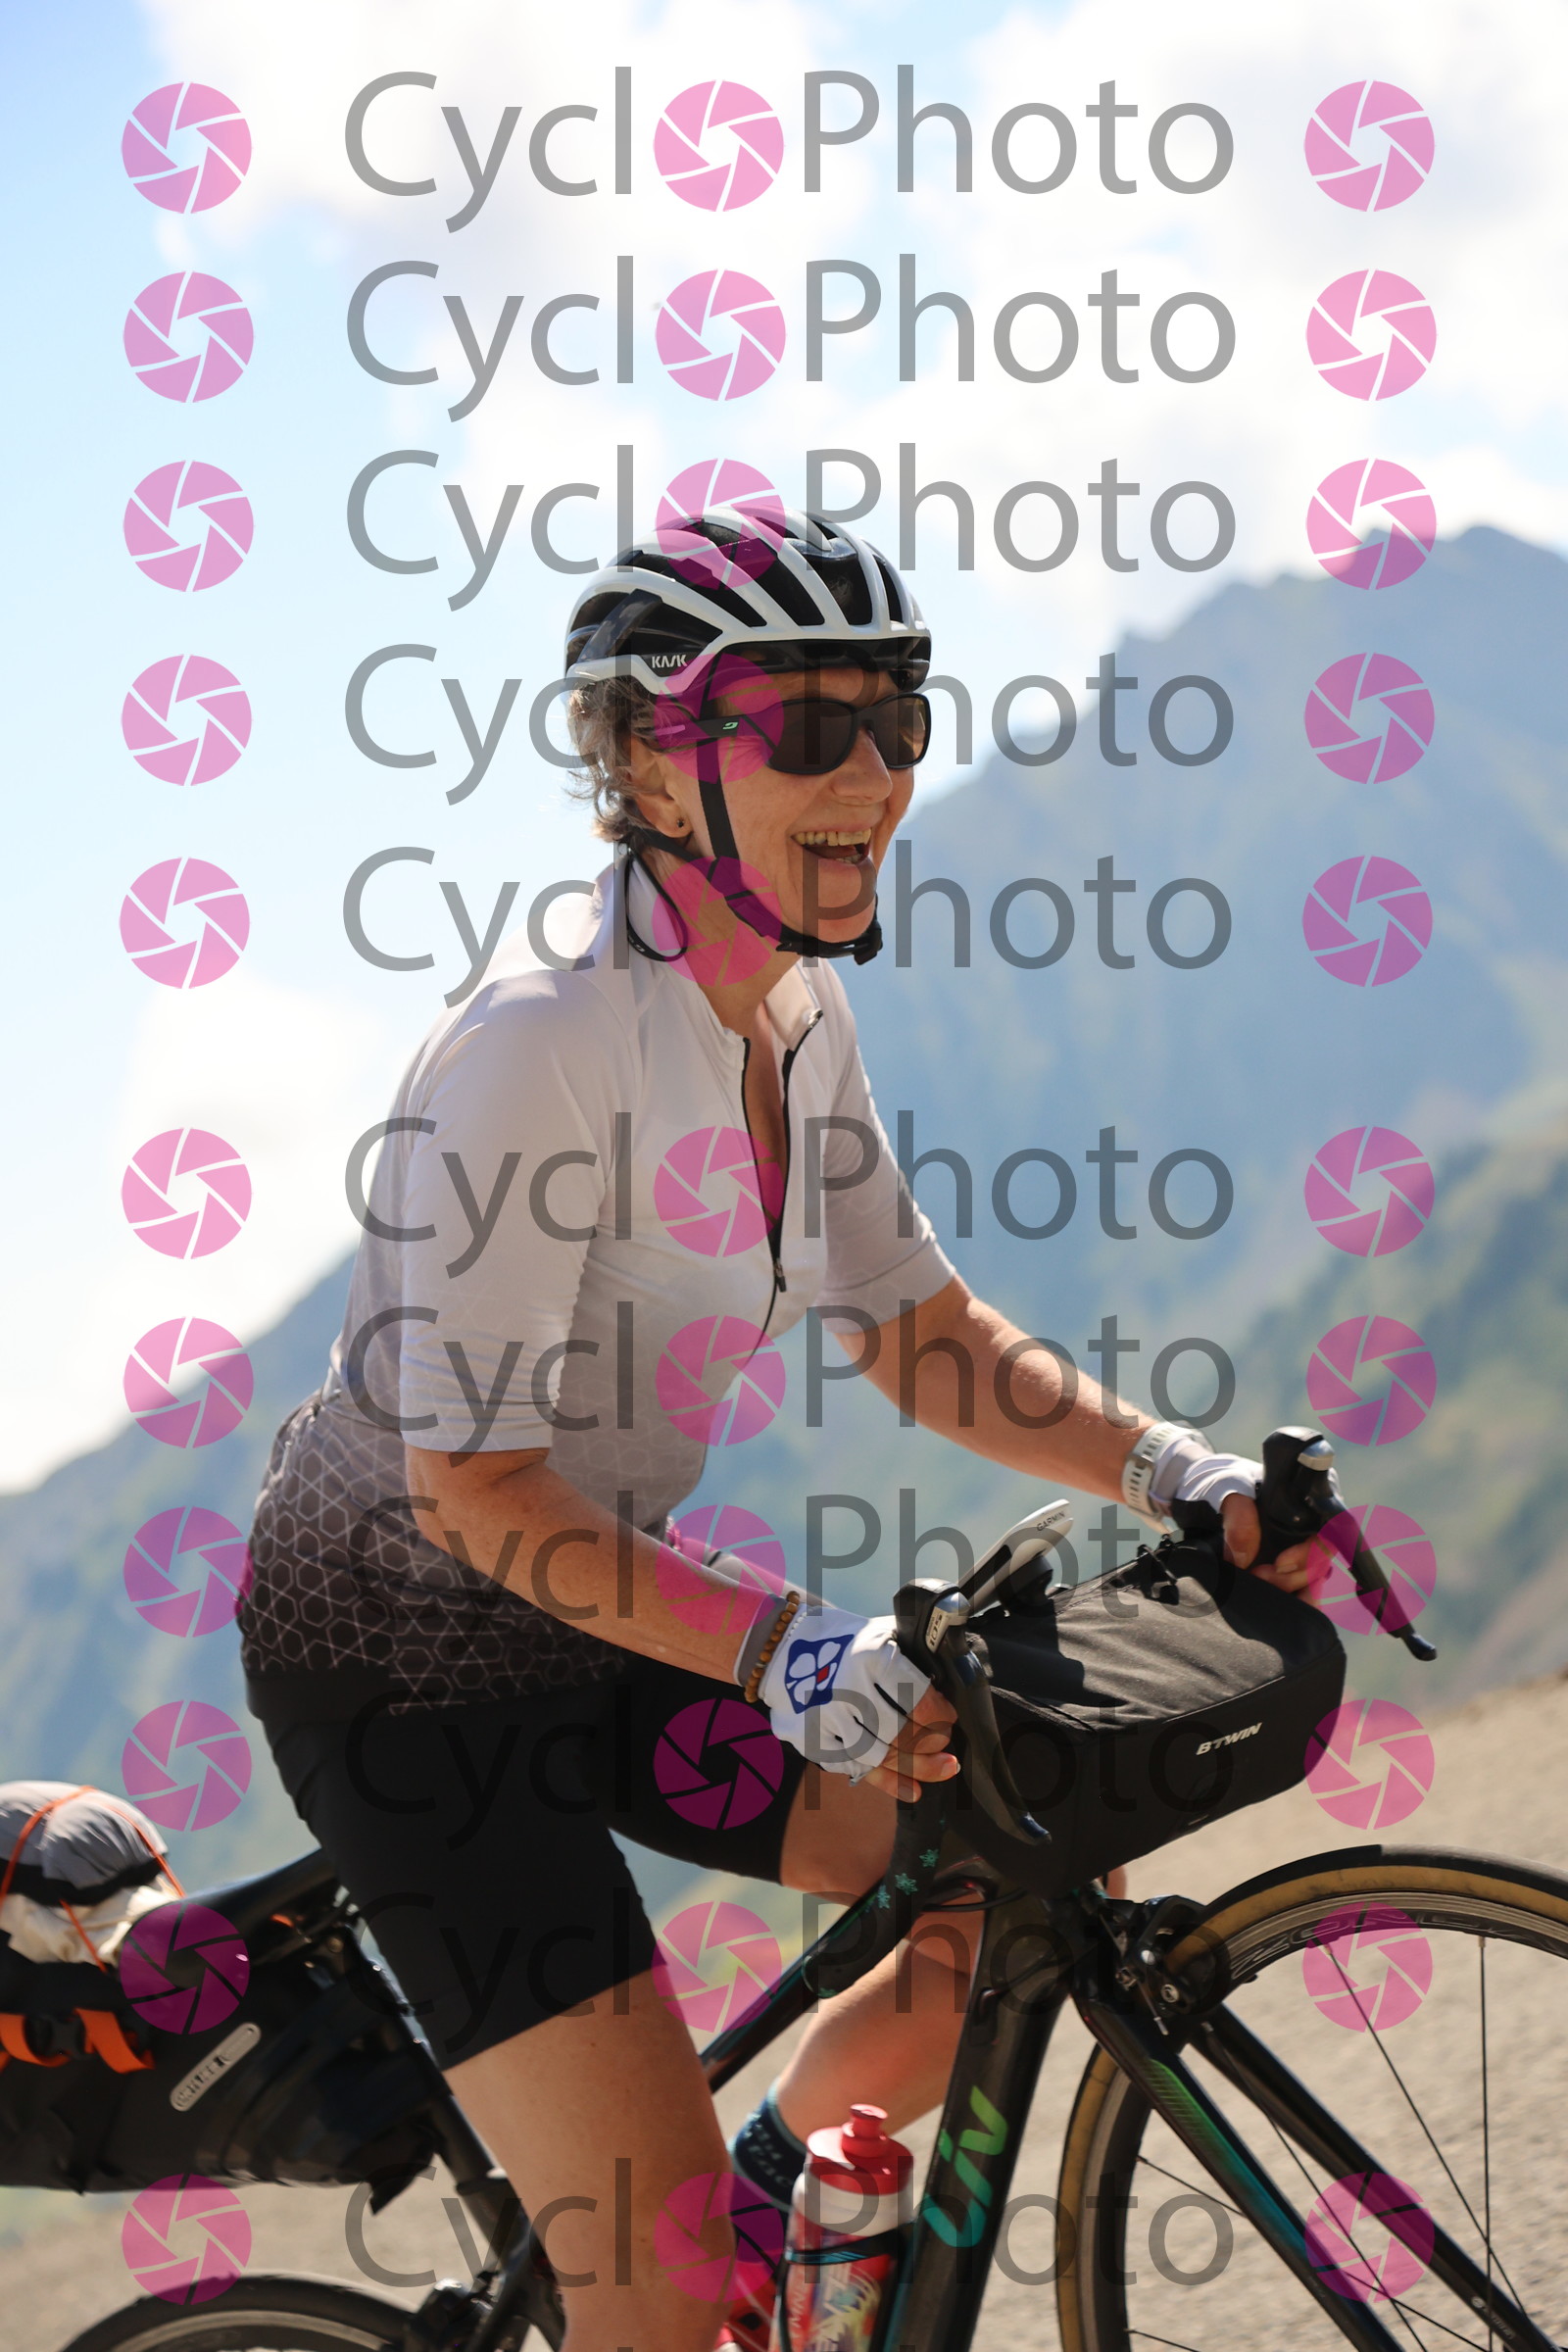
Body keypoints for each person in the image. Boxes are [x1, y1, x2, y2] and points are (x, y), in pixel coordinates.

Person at [239, 511, 1313, 2352]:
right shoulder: (540, 1043)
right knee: (652, 2301)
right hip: (407, 1683)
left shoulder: (795, 1016)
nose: (874, 776)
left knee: (1012, 1853)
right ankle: (688, 2278)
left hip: (603, 1611)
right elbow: (470, 1487)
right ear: (654, 761)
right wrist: (789, 1649)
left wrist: (1173, 1469)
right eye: (809, 728)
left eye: (897, 721)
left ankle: (752, 2223)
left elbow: (917, 1332)